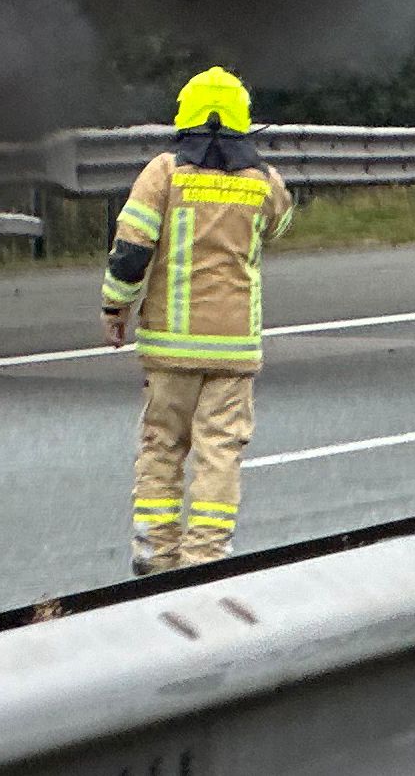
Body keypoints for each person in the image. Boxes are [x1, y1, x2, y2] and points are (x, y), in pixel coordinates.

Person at [100, 66, 296, 575]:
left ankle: (155, 554)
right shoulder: (263, 184)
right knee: (220, 451)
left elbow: (129, 251)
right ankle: (206, 560)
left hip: (170, 348)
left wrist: (115, 308)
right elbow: (281, 221)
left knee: (162, 446)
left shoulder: (163, 174)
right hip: (233, 353)